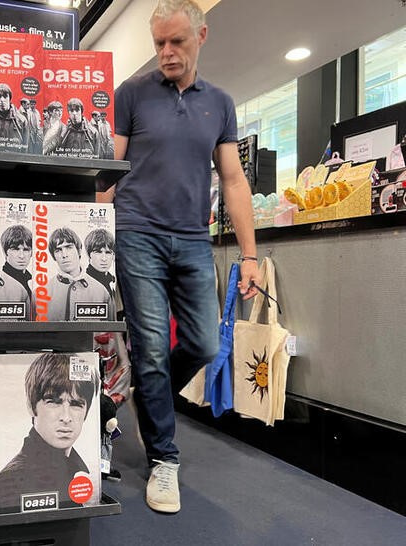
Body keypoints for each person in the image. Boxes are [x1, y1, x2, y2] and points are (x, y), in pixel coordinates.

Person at [105, 0, 259, 514]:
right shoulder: (131, 94)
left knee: (202, 344)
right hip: (137, 235)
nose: (167, 53)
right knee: (150, 348)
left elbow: (234, 180)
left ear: (202, 36)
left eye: (177, 42)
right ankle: (163, 460)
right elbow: (109, 172)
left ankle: (147, 396)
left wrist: (251, 257)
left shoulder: (221, 103)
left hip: (193, 238)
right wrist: (89, 236)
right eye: (159, 45)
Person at [0, 352, 99, 514]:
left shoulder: (76, 469)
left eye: (76, 404)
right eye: (53, 402)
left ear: (86, 411)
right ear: (31, 406)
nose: (66, 417)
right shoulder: (12, 480)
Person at [47, 227, 110, 321]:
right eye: (58, 250)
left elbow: (110, 332)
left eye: (68, 247)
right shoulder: (39, 294)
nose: (64, 255)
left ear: (79, 250)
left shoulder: (101, 292)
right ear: (54, 256)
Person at [0, 224, 34, 320]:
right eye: (15, 249)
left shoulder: (32, 282)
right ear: (5, 252)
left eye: (26, 250)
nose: (22, 256)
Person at [84, 228, 116, 320]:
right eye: (98, 252)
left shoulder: (113, 282)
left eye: (108, 252)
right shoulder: (83, 284)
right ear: (89, 255)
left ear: (113, 255)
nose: (104, 258)